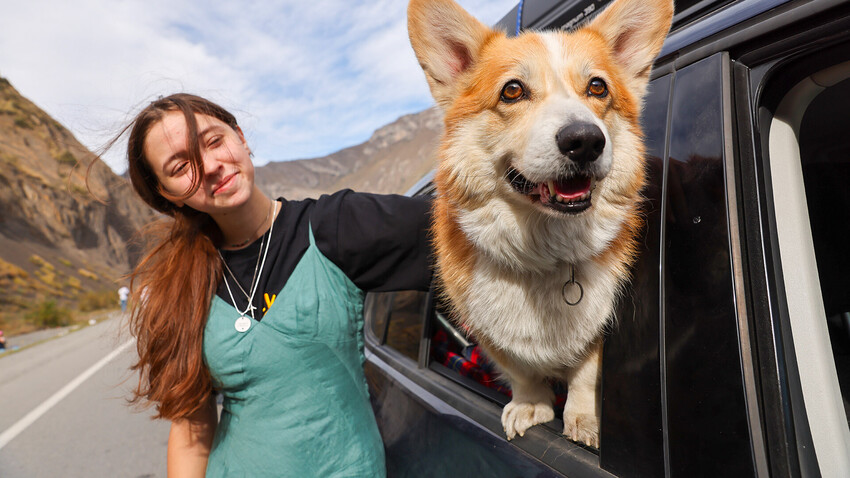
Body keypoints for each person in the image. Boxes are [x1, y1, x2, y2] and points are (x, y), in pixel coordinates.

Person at [114, 93, 432, 477]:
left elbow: (476, 237)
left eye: (214, 141)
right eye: (182, 166)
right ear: (168, 193)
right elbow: (191, 433)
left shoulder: (336, 226)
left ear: (240, 137)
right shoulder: (181, 288)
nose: (211, 166)